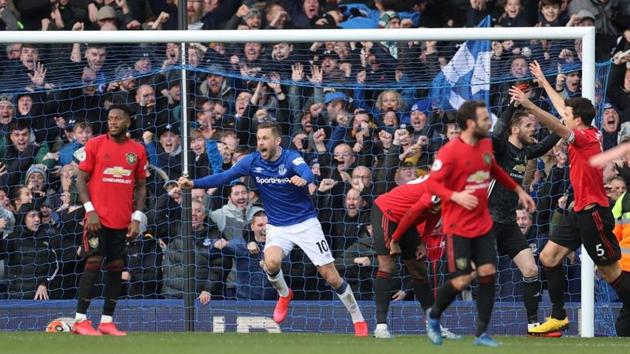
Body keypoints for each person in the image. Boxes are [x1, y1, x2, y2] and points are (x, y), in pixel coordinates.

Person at [178, 122, 368, 336]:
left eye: (265, 138)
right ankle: (285, 294)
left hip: (306, 224)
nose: (261, 143)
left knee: (331, 277)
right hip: (277, 226)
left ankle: (357, 318)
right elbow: (223, 177)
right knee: (270, 262)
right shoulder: (252, 161)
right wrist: (193, 183)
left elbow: (306, 171)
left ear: (277, 141)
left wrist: (303, 178)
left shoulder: (290, 157)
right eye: (259, 138)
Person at [509, 60, 630, 336]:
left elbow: (557, 123)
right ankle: (559, 317)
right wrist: (544, 81)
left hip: (594, 214)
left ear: (577, 119)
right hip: (578, 212)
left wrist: (529, 105)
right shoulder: (587, 127)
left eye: (568, 114)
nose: (564, 116)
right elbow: (562, 111)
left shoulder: (585, 136)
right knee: (549, 258)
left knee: (612, 275)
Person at [424, 100, 536, 347]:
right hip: (457, 226)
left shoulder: (486, 145)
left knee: (487, 273)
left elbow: (494, 168)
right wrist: (455, 196)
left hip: (483, 223)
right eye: (485, 119)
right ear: (470, 124)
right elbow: (432, 184)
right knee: (462, 280)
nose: (489, 122)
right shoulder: (449, 152)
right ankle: (433, 315)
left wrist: (519, 190)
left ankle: (481, 332)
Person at [71, 104, 148, 336]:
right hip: (97, 219)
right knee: (93, 263)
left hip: (122, 221)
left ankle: (106, 321)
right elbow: (80, 180)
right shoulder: (94, 144)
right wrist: (90, 210)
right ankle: (80, 320)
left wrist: (136, 218)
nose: (112, 122)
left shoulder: (137, 150)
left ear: (128, 122)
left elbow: (142, 188)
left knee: (116, 268)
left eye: (117, 119)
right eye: (109, 119)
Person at [490, 100, 561, 334]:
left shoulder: (526, 152)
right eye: (529, 125)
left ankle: (533, 325)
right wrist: (511, 106)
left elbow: (544, 145)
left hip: (508, 224)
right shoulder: (500, 149)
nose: (534, 129)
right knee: (477, 274)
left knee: (531, 270)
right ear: (515, 129)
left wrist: (564, 125)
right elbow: (498, 129)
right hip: (487, 223)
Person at [371, 175, 460, 340]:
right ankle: (380, 327)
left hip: (408, 219)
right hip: (387, 213)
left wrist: (423, 241)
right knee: (387, 266)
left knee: (418, 270)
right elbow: (414, 211)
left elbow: (434, 212)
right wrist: (395, 240)